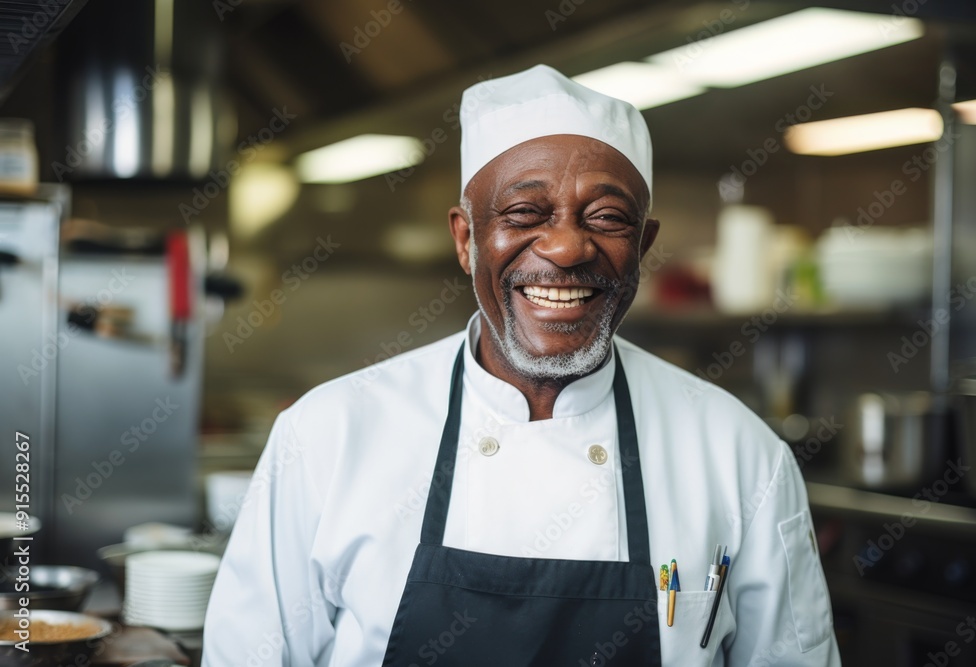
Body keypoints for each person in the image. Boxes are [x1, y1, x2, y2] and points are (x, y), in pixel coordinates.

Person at [204, 64, 841, 666]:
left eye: (607, 217)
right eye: (524, 214)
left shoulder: (740, 455)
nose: (566, 247)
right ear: (465, 239)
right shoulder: (327, 436)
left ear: (642, 245)